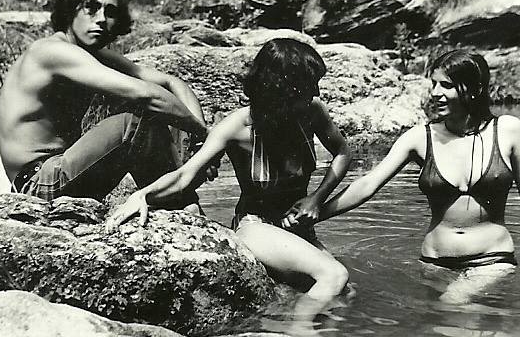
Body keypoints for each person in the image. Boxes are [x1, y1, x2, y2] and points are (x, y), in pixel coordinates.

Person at [108, 38, 352, 320]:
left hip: (297, 230)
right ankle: (298, 336)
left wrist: (316, 199)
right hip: (256, 227)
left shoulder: (312, 112)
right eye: (307, 86)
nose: (315, 93)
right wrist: (143, 195)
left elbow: (343, 152)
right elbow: (187, 175)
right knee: (334, 275)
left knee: (345, 294)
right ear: (281, 89)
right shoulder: (236, 126)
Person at [312, 49, 520, 303]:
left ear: (474, 89)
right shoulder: (420, 137)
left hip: (492, 259)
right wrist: (316, 214)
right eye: (434, 84)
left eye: (447, 85)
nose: (435, 93)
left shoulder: (507, 130)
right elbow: (368, 184)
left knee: (453, 303)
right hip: (433, 264)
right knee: (449, 328)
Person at [0, 0, 212, 206]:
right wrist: (206, 137)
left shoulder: (92, 54)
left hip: (64, 173)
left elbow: (172, 83)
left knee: (161, 114)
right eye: (91, 8)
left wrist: (200, 145)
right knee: (135, 121)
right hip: (37, 184)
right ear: (70, 10)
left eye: (110, 12)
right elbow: (146, 95)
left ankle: (180, 201)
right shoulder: (52, 51)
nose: (101, 19)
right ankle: (181, 203)